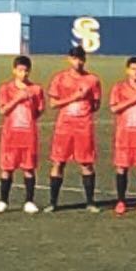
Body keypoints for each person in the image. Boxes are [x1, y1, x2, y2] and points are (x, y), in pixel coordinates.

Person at [45, 44, 102, 212]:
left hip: (83, 127)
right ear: (69, 59)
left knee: (86, 163)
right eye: (75, 58)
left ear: (85, 59)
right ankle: (53, 202)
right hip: (64, 127)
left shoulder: (92, 80)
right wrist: (74, 97)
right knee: (59, 162)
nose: (78, 62)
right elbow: (54, 103)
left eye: (81, 58)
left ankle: (90, 202)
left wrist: (84, 110)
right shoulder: (60, 78)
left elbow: (96, 104)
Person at [0, 54, 44, 214]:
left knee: (29, 168)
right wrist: (17, 98)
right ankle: (3, 201)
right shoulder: (6, 89)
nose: (24, 73)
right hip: (10, 135)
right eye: (20, 70)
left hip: (28, 135)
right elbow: (3, 110)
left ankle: (29, 201)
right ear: (14, 70)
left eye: (26, 70)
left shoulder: (36, 90)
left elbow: (39, 111)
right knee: (7, 168)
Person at [107, 57, 136, 215]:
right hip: (124, 134)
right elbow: (114, 109)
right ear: (127, 70)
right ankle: (121, 201)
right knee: (122, 167)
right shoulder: (119, 88)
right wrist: (134, 100)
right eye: (133, 69)